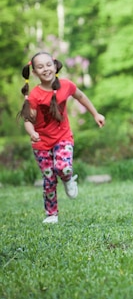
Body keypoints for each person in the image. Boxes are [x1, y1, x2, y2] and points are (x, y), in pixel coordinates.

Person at [18, 52, 106, 224]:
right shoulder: (35, 95)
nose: (45, 69)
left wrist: (95, 114)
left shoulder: (66, 85)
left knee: (63, 168)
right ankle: (51, 214)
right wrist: (32, 133)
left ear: (55, 65)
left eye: (48, 64)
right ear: (34, 72)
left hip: (63, 137)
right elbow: (28, 120)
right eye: (40, 66)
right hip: (41, 142)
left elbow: (81, 96)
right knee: (49, 178)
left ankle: (68, 179)